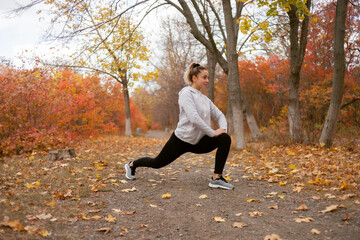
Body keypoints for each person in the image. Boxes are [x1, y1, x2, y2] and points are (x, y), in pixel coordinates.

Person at [125, 62, 234, 190]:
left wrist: (223, 130)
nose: (207, 80)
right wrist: (212, 132)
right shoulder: (186, 93)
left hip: (199, 142)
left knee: (225, 138)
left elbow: (220, 115)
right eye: (204, 77)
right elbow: (194, 118)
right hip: (181, 140)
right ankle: (132, 165)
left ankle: (216, 178)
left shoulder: (205, 99)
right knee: (157, 163)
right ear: (194, 78)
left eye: (208, 77)